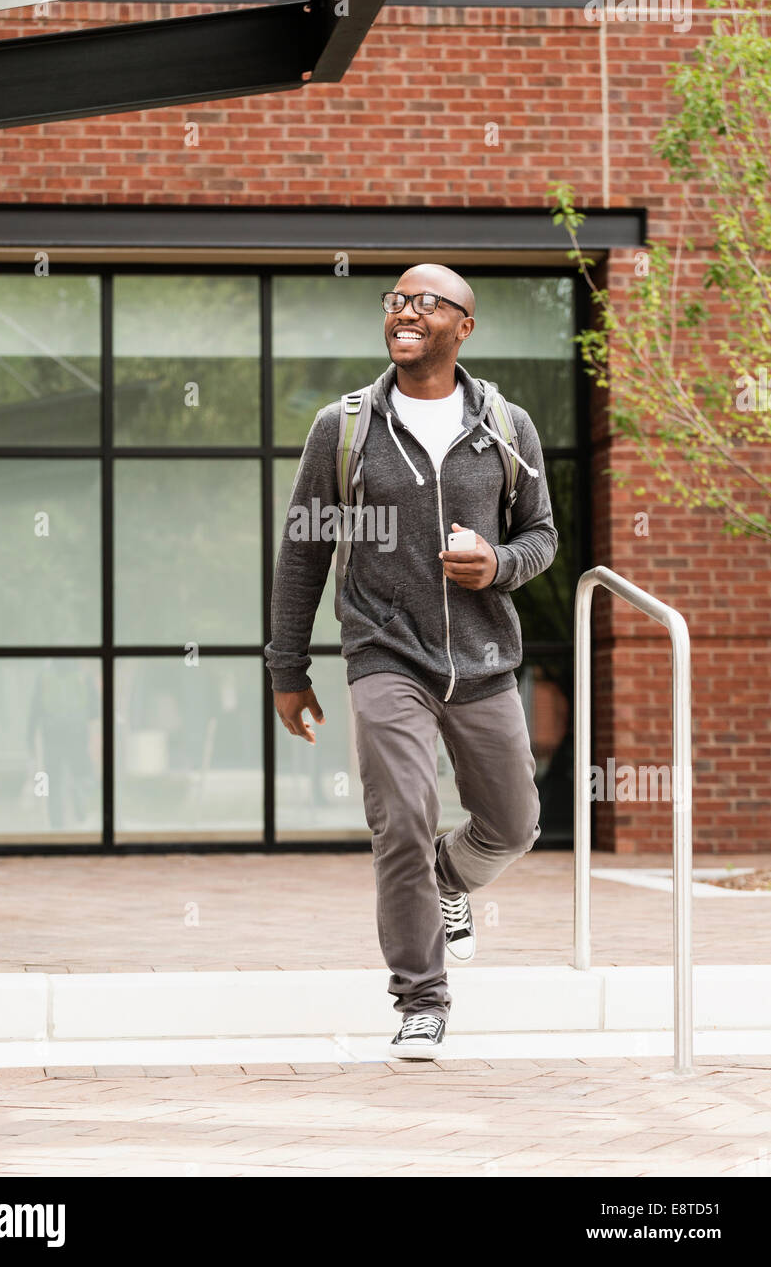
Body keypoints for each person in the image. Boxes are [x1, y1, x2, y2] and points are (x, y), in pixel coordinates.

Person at [264, 264, 558, 1059]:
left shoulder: (505, 425)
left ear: (463, 327)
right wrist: (286, 668)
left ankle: (449, 880)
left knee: (514, 824)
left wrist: (496, 564)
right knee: (399, 818)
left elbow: (542, 536)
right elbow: (304, 550)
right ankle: (420, 999)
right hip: (384, 652)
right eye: (396, 300)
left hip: (483, 657)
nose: (406, 310)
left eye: (428, 302)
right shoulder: (345, 426)